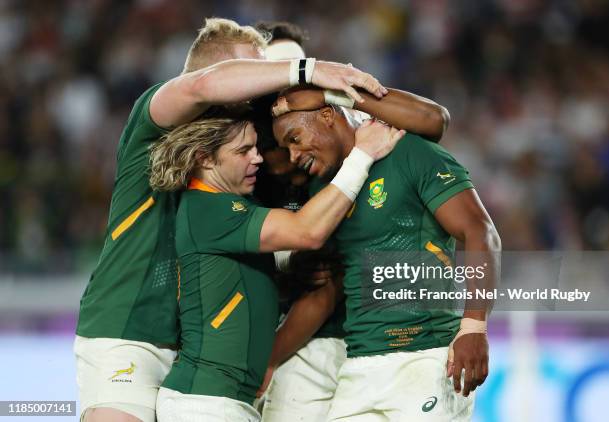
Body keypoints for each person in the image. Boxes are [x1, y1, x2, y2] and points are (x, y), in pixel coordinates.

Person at [74, 17, 388, 422]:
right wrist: (308, 69)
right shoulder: (154, 124)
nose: (260, 89)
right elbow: (201, 86)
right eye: (251, 73)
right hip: (128, 333)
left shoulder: (239, 155)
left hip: (192, 354)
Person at [148, 106, 405, 421]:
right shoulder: (208, 206)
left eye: (256, 147)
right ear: (205, 158)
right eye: (243, 151)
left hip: (222, 401)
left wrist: (286, 270)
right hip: (205, 403)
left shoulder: (223, 205)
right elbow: (307, 231)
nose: (257, 158)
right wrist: (363, 154)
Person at [272, 87, 501, 421]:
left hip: (426, 358)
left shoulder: (410, 152)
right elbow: (330, 285)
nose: (293, 155)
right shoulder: (325, 191)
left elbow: (481, 233)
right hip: (360, 364)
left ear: (327, 115)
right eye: (286, 148)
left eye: (295, 138)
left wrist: (474, 327)